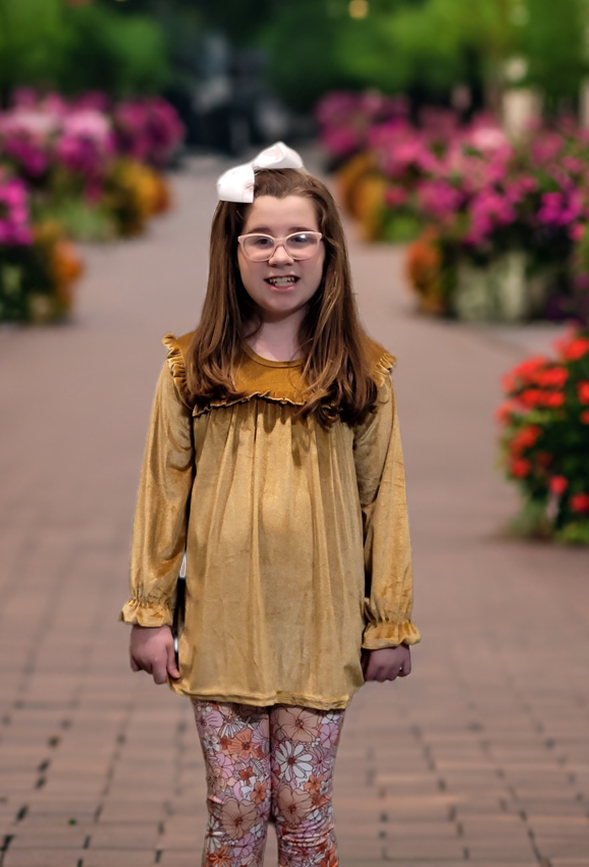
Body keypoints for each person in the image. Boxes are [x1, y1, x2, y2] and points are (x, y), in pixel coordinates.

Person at [121, 143, 419, 867]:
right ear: (232, 250)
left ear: (329, 251)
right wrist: (150, 614)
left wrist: (390, 621)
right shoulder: (192, 368)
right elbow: (162, 495)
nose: (280, 256)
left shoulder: (359, 373)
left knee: (302, 809)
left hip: (319, 628)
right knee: (236, 808)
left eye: (299, 238)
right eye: (260, 237)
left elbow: (384, 499)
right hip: (224, 627)